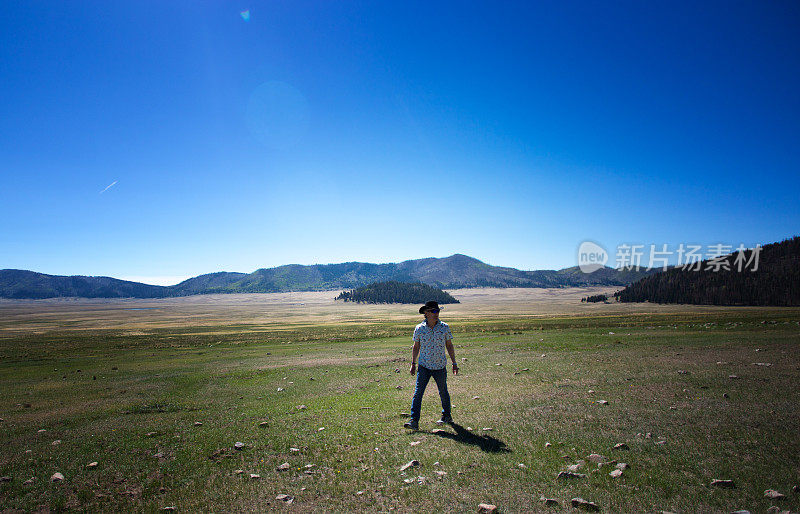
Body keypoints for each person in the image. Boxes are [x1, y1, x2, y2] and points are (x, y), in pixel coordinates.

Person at [404, 300, 458, 430]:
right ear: (426, 313)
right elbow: (416, 346)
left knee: (443, 391)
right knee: (418, 393)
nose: (436, 313)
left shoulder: (444, 327)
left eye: (438, 311)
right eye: (433, 311)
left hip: (440, 366)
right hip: (424, 366)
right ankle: (414, 421)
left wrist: (454, 363)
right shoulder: (419, 329)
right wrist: (413, 363)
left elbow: (449, 345)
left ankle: (446, 416)